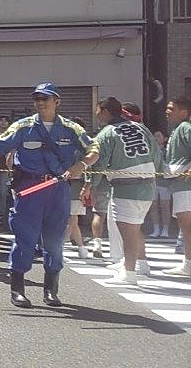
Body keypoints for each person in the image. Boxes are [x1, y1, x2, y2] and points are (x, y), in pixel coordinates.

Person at [0, 83, 92, 308]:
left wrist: (82, 165)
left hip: (58, 190)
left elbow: (94, 149)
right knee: (25, 239)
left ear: (57, 101)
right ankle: (17, 289)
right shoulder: (22, 126)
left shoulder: (71, 128)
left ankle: (51, 289)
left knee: (55, 242)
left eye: (45, 98)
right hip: (30, 190)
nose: (40, 102)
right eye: (37, 98)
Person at [78, 98, 161, 284]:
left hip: (126, 186)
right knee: (135, 226)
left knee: (128, 231)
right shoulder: (141, 128)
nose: (96, 113)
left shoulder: (106, 133)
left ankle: (129, 272)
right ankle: (141, 262)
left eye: (98, 109)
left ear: (106, 111)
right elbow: (156, 154)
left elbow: (98, 163)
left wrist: (89, 185)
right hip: (148, 184)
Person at [162, 96, 191, 276]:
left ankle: (188, 264)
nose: (167, 111)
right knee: (185, 225)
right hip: (179, 184)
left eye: (172, 108)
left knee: (187, 226)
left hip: (186, 184)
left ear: (184, 111)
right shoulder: (178, 128)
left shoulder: (186, 127)